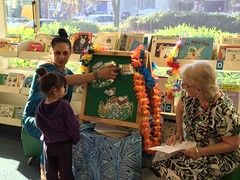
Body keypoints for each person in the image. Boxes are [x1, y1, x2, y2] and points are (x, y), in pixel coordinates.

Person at [21, 28, 118, 175]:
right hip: (37, 118)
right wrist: (98, 74)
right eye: (57, 53)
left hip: (56, 119)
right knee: (58, 138)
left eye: (65, 53)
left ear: (70, 53)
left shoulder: (70, 73)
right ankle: (47, 169)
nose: (61, 57)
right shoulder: (44, 69)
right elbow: (62, 80)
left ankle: (60, 170)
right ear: (51, 53)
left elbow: (71, 84)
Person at [152, 61, 240, 179]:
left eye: (186, 85)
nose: (183, 87)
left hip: (217, 154)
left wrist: (200, 152)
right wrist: (178, 133)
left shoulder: (224, 110)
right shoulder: (189, 95)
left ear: (199, 88)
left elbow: (232, 144)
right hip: (190, 148)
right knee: (161, 161)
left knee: (187, 173)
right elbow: (179, 109)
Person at [35, 67, 79, 180]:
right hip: (64, 145)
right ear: (55, 90)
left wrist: (47, 134)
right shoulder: (64, 106)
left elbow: (38, 122)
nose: (65, 89)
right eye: (64, 87)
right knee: (66, 172)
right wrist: (75, 138)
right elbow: (72, 125)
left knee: (51, 170)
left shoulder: (41, 105)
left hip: (48, 143)